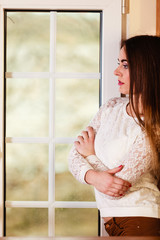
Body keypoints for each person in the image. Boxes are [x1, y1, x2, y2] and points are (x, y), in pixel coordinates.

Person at [68, 35, 160, 236]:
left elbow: (118, 187)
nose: (116, 71)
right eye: (118, 63)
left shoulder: (154, 125)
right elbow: (74, 154)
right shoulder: (111, 107)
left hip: (140, 220)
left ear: (147, 69)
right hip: (113, 224)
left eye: (125, 65)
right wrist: (92, 176)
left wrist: (90, 156)